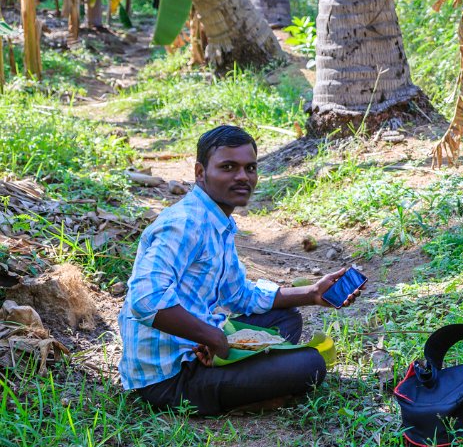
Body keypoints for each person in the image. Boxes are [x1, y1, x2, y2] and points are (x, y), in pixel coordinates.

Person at [118, 125, 361, 416]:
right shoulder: (185, 224)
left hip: (200, 347)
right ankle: (244, 400)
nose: (242, 177)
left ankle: (244, 380)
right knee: (311, 365)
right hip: (168, 378)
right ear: (200, 172)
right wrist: (214, 337)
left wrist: (311, 293)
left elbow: (239, 295)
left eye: (250, 168)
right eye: (228, 167)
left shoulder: (216, 221)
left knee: (287, 320)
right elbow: (144, 300)